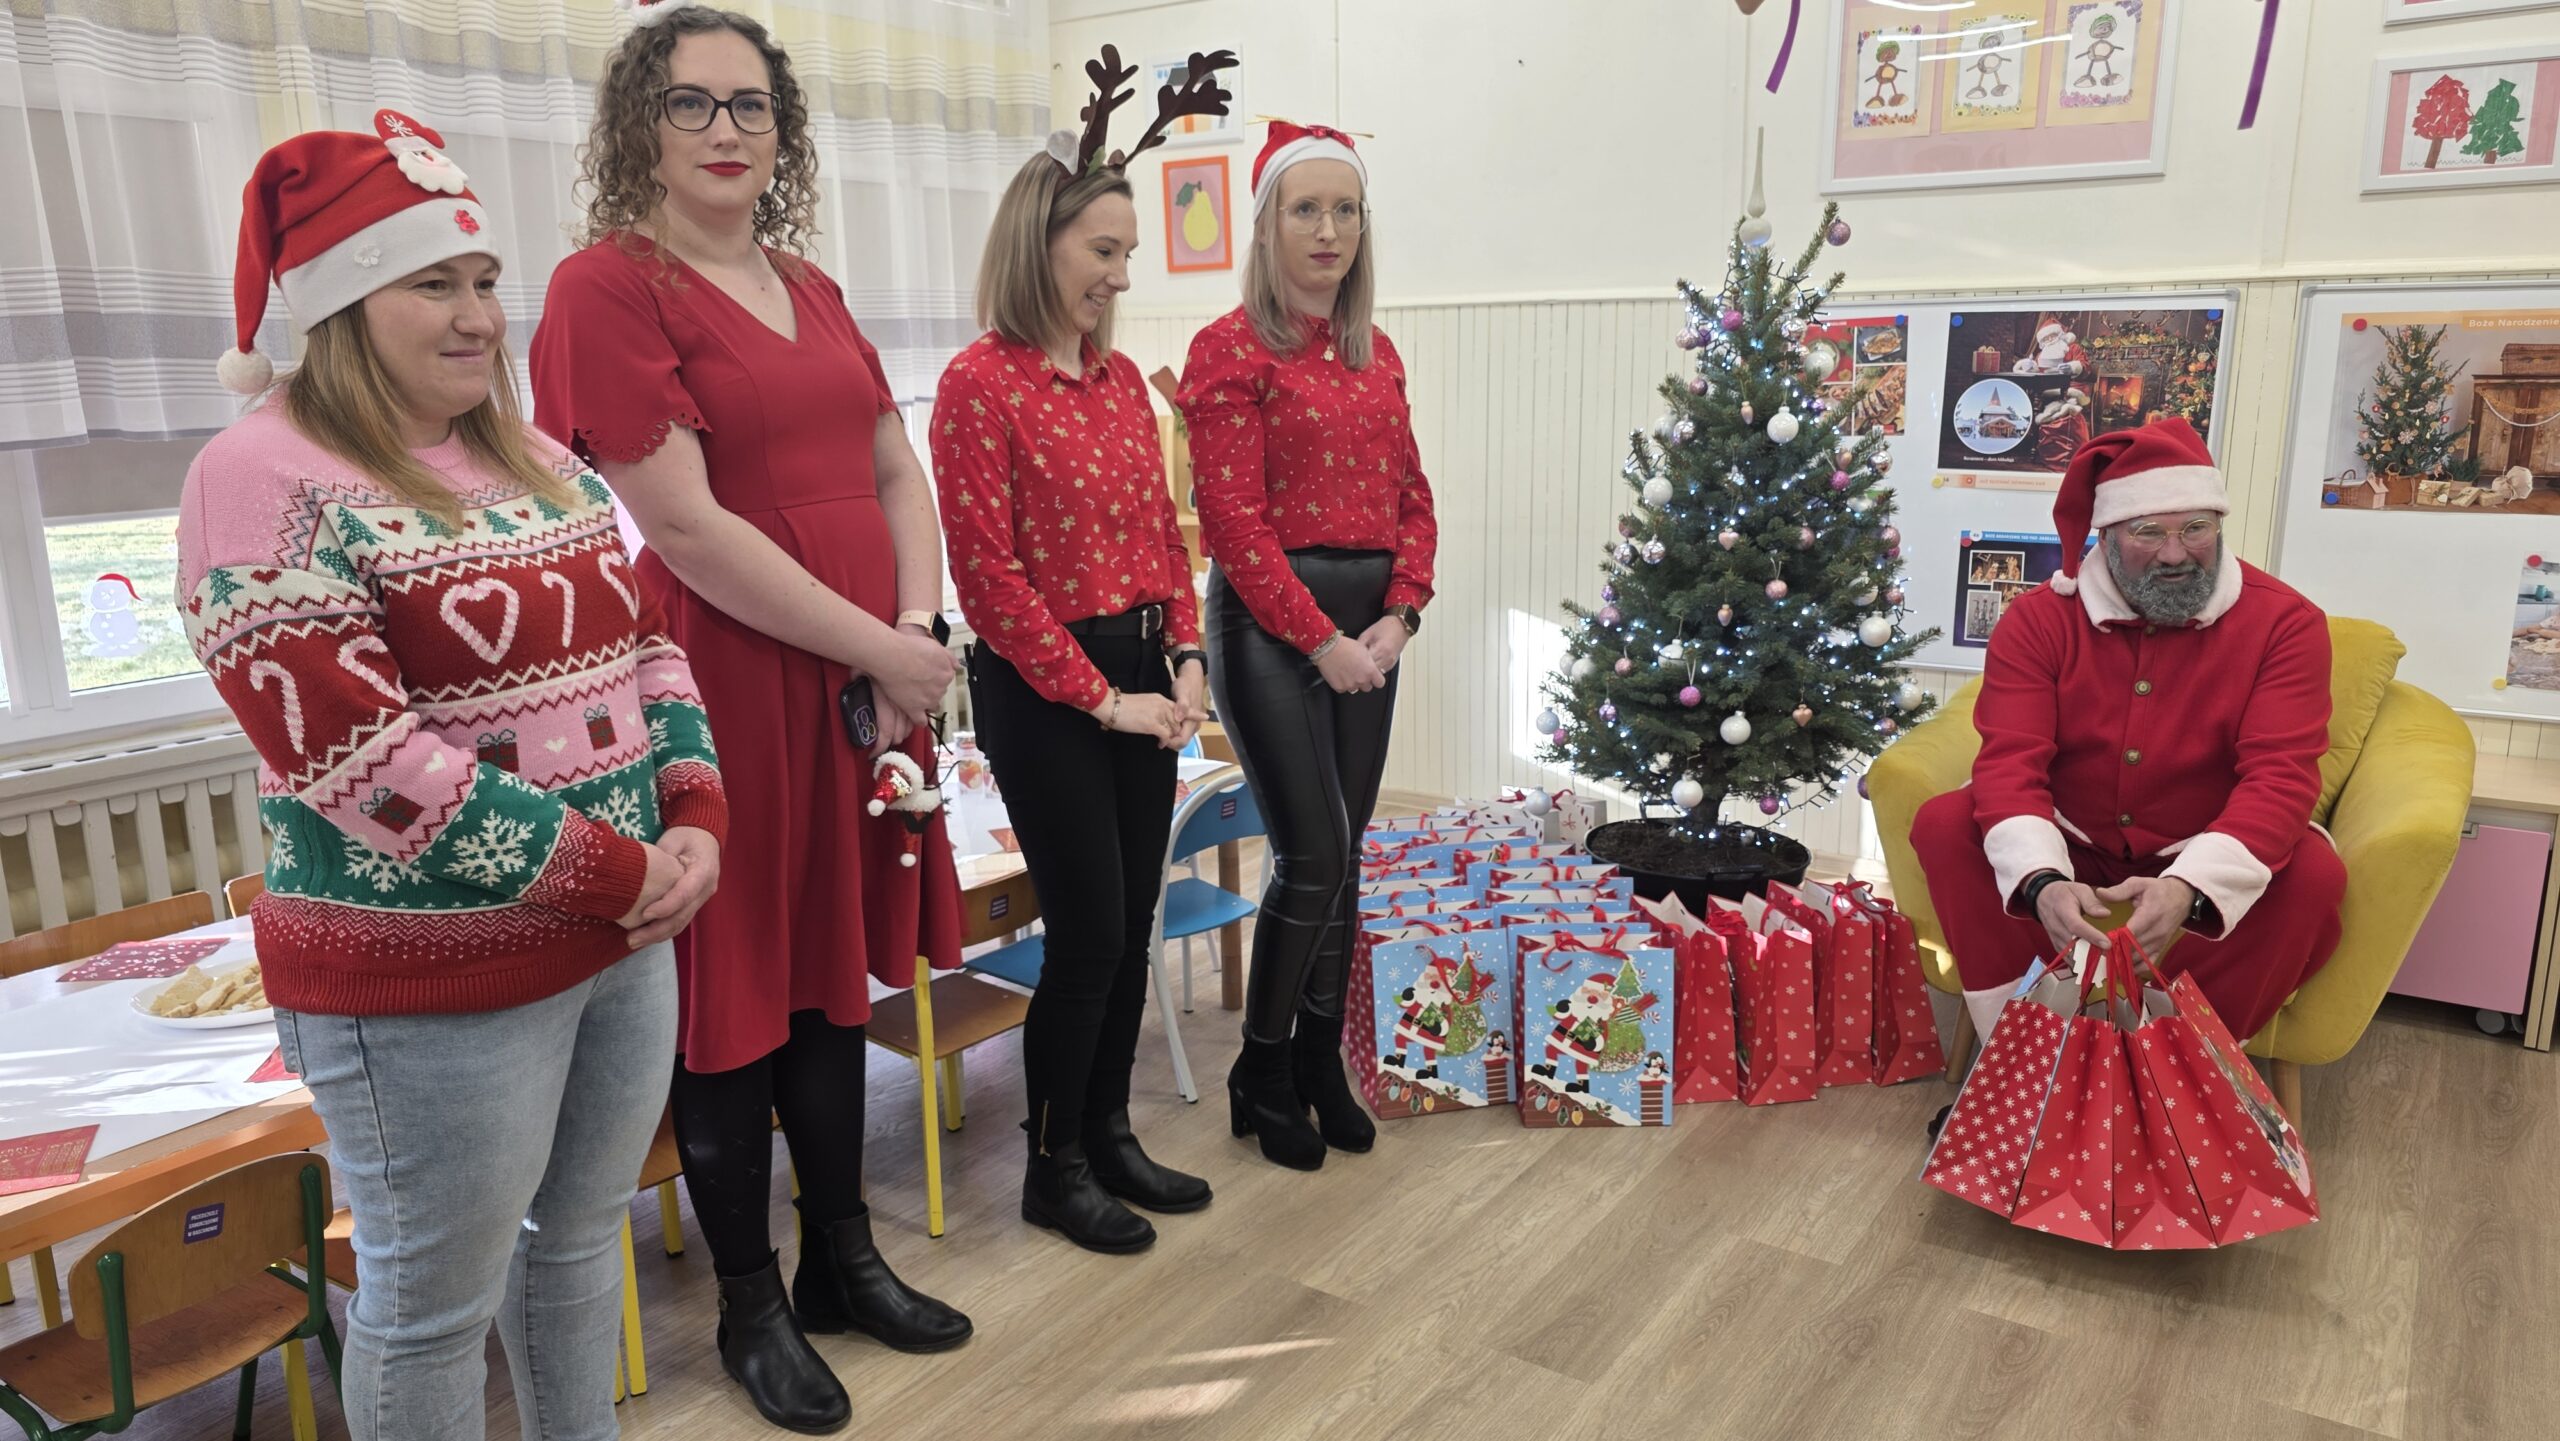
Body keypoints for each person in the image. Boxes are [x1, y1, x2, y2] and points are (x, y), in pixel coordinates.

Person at [179, 110, 722, 1441]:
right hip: (429, 979)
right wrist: (621, 871)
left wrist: (695, 811)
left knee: (581, 1242)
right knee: (432, 1306)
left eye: (484, 279)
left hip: (621, 936)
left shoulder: (538, 462)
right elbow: (363, 763)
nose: (481, 315)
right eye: (435, 283)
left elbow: (649, 641)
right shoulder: (260, 479)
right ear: (340, 305)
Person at [529, 3, 967, 1431]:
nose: (725, 129)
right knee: (731, 1001)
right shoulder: (606, 288)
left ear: (783, 130)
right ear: (638, 127)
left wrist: (916, 635)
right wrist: (882, 651)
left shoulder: (814, 288)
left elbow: (896, 471)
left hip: (861, 681)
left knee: (828, 975)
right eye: (690, 103)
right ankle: (750, 1302)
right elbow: (688, 531)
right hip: (723, 682)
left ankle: (844, 1257)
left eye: (750, 105)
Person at [933, 46, 1235, 1255]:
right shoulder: (978, 386)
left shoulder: (1114, 384)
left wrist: (1188, 660)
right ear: (1039, 245)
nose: (1119, 275)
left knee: (1130, 916)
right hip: (1045, 689)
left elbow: (1162, 532)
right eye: (1102, 251)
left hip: (1140, 675)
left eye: (1126, 254)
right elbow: (990, 583)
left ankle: (1106, 1131)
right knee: (1091, 933)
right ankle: (1052, 1164)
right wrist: (1103, 700)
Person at [1913, 418, 2344, 1055]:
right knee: (1946, 824)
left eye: (2196, 528)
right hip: (2073, 835)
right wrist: (2040, 881)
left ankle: (2181, 1063)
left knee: (2312, 875)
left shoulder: (2287, 623)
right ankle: (2028, 1055)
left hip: (2203, 838)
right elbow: (2010, 761)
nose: (2176, 554)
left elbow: (2281, 776)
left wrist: (2191, 888)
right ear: (2107, 534)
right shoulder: (2037, 620)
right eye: (2148, 532)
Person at [1177, 121, 1435, 1169]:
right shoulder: (1228, 350)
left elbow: (1414, 499)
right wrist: (1323, 639)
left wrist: (1402, 613)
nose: (1327, 229)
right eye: (1305, 209)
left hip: (1369, 630)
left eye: (1345, 210)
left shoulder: (1378, 354)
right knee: (1313, 853)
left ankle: (1321, 1059)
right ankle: (1264, 1064)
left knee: (1347, 853)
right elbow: (1233, 525)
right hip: (1270, 627)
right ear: (1267, 224)